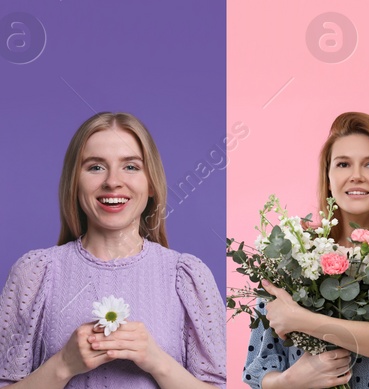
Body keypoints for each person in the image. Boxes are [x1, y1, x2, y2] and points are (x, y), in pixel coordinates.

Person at [0, 112, 226, 388]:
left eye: (131, 167)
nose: (113, 182)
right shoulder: (34, 274)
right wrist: (63, 365)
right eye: (95, 167)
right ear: (74, 182)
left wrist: (158, 361)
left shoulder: (188, 276)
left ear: (151, 183)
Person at [243, 112, 369, 389]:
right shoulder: (290, 254)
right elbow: (261, 366)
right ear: (328, 177)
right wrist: (291, 380)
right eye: (343, 164)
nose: (356, 176)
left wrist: (304, 320)